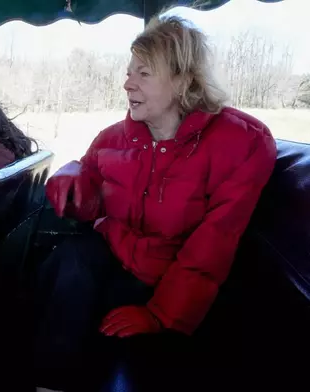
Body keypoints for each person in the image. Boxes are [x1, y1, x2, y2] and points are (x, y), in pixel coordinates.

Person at [34, 14, 277, 392]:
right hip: (112, 256)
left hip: (169, 281)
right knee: (65, 261)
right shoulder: (114, 137)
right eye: (129, 72)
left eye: (143, 73)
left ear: (183, 80)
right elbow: (90, 185)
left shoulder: (242, 143)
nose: (127, 83)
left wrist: (161, 314)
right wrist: (71, 181)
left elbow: (215, 241)